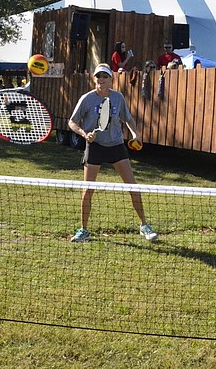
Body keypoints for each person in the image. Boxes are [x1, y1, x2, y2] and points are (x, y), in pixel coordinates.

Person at [67, 63, 158, 243]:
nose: (101, 79)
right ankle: (84, 230)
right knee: (88, 190)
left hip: (116, 146)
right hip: (95, 147)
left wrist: (135, 134)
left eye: (105, 76)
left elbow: (128, 119)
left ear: (111, 80)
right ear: (94, 79)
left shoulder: (118, 98)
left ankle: (144, 225)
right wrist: (85, 134)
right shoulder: (86, 99)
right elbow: (72, 122)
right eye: (98, 76)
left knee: (133, 187)